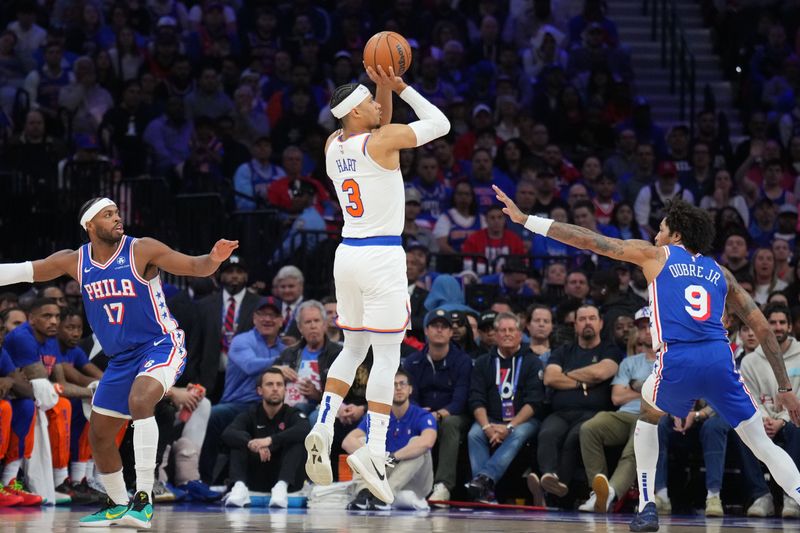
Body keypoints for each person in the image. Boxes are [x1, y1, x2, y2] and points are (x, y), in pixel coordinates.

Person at [493, 187, 800, 532]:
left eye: (662, 228)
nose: (656, 234)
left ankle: (647, 505)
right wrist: (785, 387)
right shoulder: (721, 273)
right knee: (760, 442)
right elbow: (762, 326)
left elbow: (590, 240)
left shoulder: (657, 255)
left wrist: (527, 220)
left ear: (676, 234)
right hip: (719, 359)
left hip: (678, 359)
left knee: (648, 416)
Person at [0, 197, 238, 527]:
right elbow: (26, 270)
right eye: (108, 214)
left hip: (160, 345)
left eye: (116, 212)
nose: (117, 218)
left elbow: (195, 267)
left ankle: (143, 498)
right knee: (99, 434)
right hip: (121, 359)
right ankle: (116, 502)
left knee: (140, 400)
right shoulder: (75, 261)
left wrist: (214, 258)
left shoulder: (141, 250)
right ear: (89, 225)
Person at [304, 63, 450, 505]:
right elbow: (441, 124)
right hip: (383, 256)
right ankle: (375, 447)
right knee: (387, 356)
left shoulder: (333, 143)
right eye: (369, 101)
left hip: (346, 254)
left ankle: (324, 424)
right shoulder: (383, 141)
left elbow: (377, 122)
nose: (377, 105)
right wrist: (402, 87)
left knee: (352, 348)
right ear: (354, 113)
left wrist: (380, 88)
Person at [343, 369, 437, 510]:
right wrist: (377, 457)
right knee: (361, 442)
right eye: (393, 385)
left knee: (418, 444)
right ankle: (364, 492)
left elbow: (428, 441)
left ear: (410, 389)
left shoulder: (422, 415)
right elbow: (348, 441)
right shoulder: (377, 415)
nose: (398, 388)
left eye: (402, 384)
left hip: (417, 482)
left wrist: (392, 457)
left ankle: (385, 495)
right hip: (386, 473)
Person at [221, 367, 310, 509]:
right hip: (257, 476)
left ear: (285, 390)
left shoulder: (292, 413)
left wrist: (270, 440)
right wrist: (251, 443)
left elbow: (305, 429)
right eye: (270, 384)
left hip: (286, 477)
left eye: (279, 384)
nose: (275, 389)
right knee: (238, 441)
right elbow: (228, 433)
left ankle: (281, 487)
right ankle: (239, 487)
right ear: (259, 390)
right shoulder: (251, 413)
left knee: (298, 441)